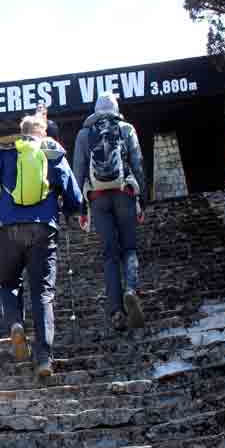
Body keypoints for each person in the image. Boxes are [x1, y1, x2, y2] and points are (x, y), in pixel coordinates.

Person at [0, 115, 83, 377]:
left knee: (8, 284)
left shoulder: (4, 150)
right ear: (43, 133)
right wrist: (71, 211)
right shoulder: (51, 151)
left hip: (8, 229)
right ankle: (44, 359)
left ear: (21, 132)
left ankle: (15, 324)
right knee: (43, 293)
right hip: (43, 228)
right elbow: (71, 190)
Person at [73, 92, 146, 330]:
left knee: (109, 255)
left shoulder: (84, 134)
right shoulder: (126, 129)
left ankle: (116, 312)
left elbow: (79, 170)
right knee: (130, 248)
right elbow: (137, 163)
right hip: (125, 193)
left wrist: (82, 207)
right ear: (115, 108)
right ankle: (131, 290)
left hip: (98, 198)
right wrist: (141, 199)